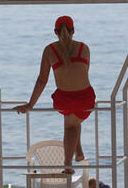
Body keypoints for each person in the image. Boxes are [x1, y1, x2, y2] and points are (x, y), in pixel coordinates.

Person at [14, 16, 95, 173]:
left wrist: (30, 105)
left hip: (64, 99)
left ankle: (68, 163)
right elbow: (84, 73)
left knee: (71, 123)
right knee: (74, 119)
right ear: (73, 31)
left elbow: (42, 80)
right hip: (85, 98)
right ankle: (78, 152)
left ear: (55, 32)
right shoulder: (84, 48)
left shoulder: (49, 50)